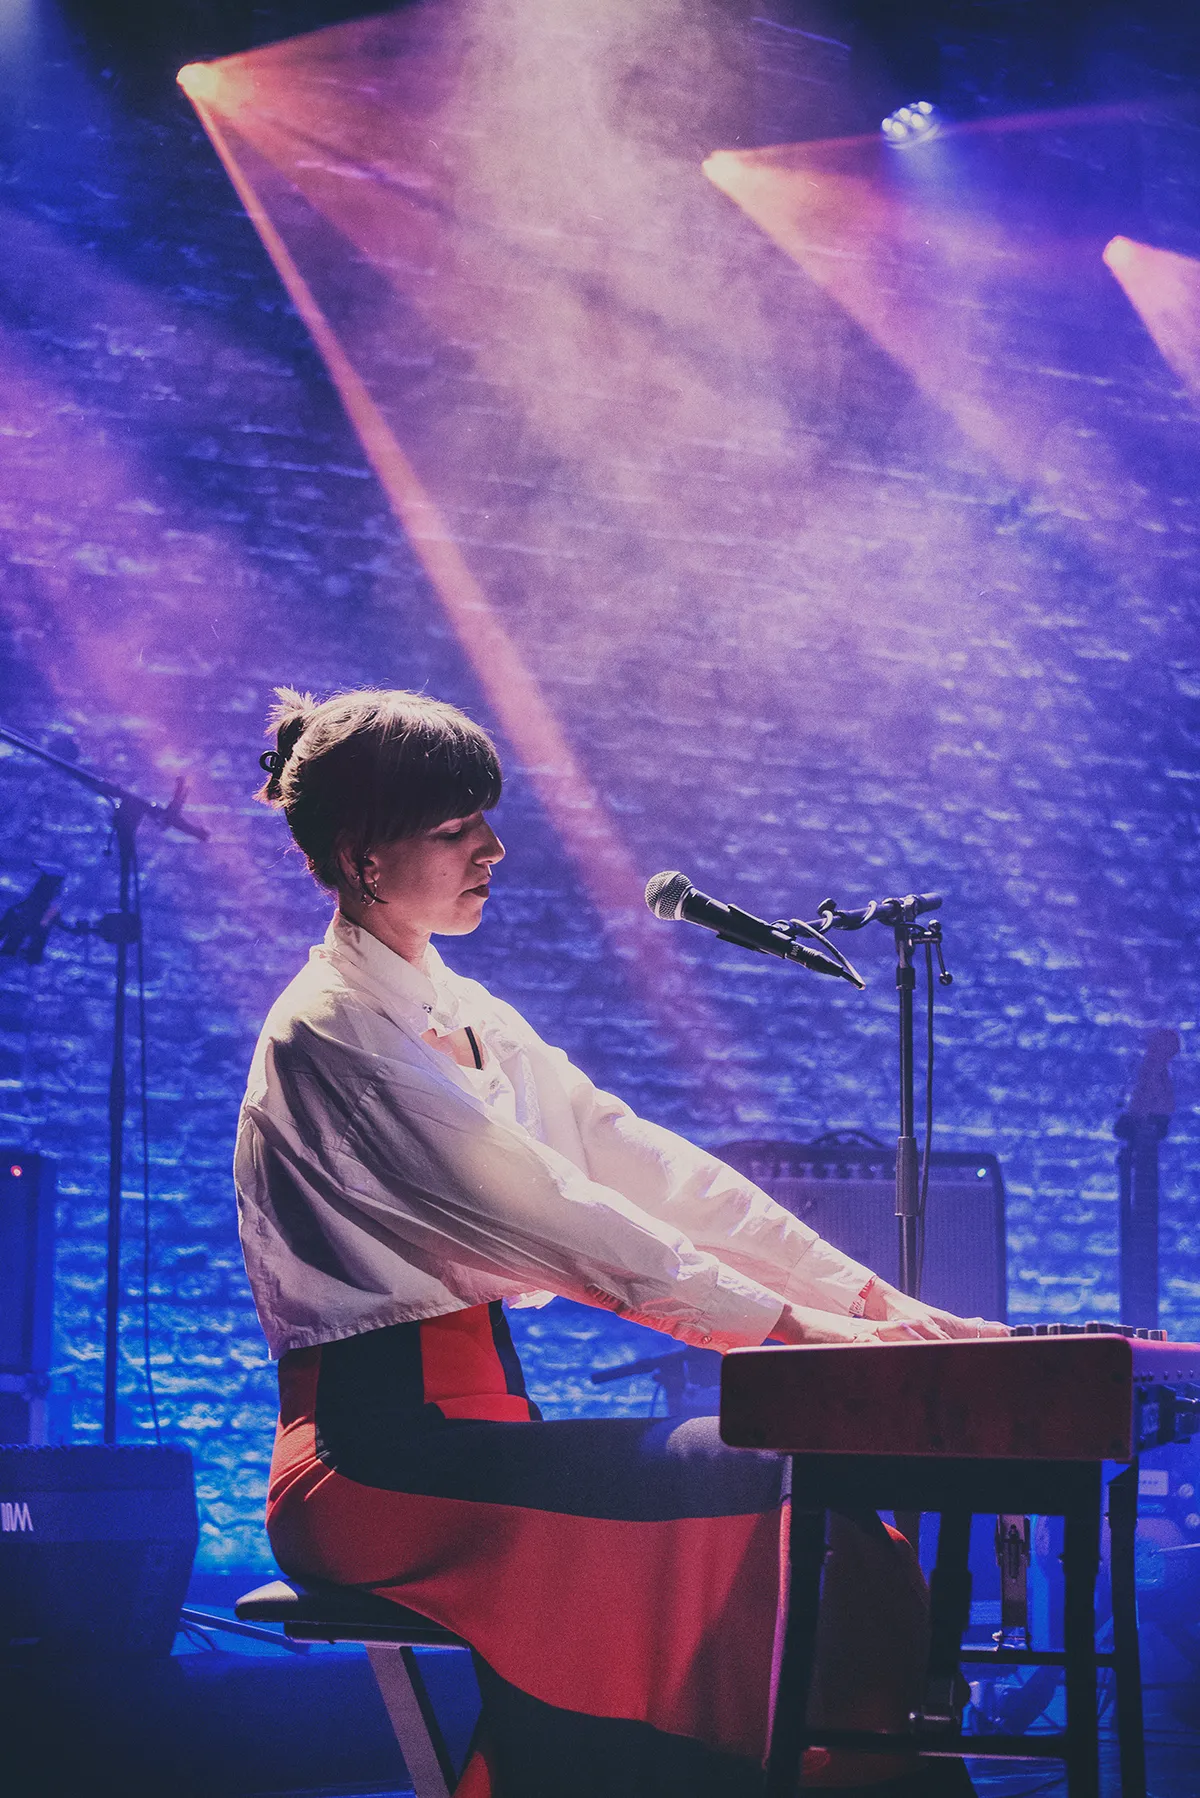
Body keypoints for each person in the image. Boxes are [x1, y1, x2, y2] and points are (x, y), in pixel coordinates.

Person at [236, 686, 1003, 1798]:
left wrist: (868, 1301)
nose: (493, 847)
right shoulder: (331, 1031)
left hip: (472, 1439)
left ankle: (847, 1762)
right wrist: (798, 1333)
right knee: (765, 1481)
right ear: (363, 859)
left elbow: (637, 1161)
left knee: (813, 1501)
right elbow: (568, 1220)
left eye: (485, 820)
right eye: (455, 828)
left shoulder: (463, 1012)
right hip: (369, 1467)